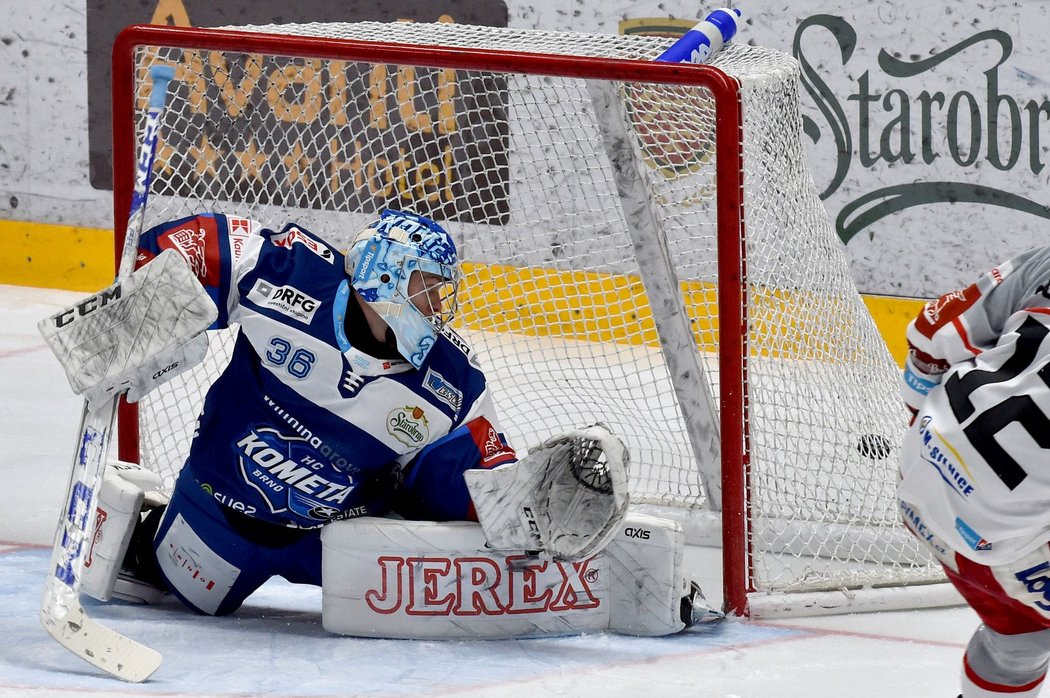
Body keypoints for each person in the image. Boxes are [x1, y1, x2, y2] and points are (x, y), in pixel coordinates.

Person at [113, 208, 518, 616]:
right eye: (426, 287)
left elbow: (470, 482)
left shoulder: (453, 381)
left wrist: (520, 507)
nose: (434, 306)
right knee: (172, 587)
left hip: (342, 542)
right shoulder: (290, 273)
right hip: (220, 519)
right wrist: (138, 316)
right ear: (386, 274)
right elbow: (197, 247)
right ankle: (148, 533)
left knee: (418, 596)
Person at [898, 245, 1050, 698]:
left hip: (919, 465)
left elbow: (932, 337)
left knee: (1021, 641)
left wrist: (932, 436)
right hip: (997, 540)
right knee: (1022, 638)